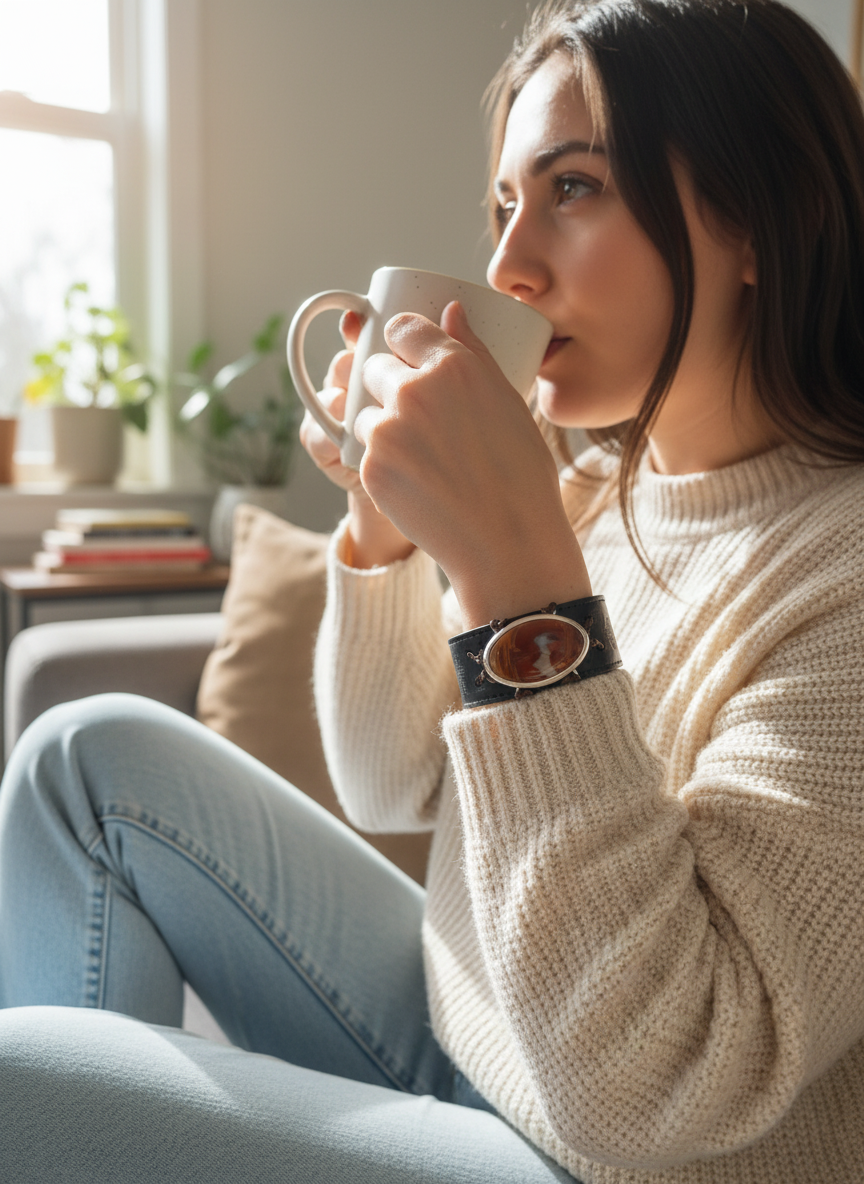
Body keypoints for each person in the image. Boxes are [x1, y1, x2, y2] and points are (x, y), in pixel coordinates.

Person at [1, 0, 863, 1180]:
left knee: (22, 1074)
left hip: (617, 1153)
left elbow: (664, 1086)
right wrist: (384, 525)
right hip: (469, 1041)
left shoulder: (840, 568)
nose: (508, 263)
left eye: (574, 188)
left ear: (760, 214)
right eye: (506, 204)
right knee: (81, 760)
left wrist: (523, 588)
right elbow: (388, 780)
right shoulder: (589, 490)